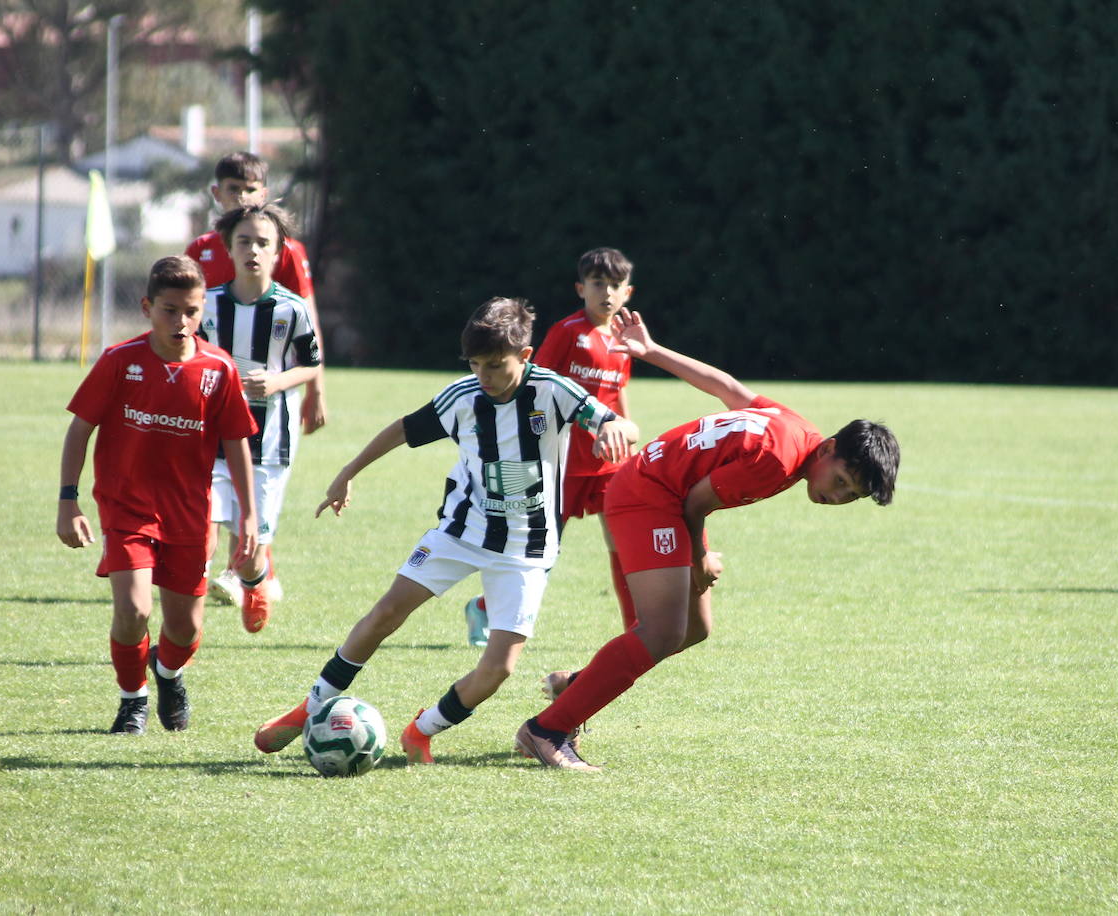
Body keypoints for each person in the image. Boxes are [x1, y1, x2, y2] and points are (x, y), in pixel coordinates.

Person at [252, 298, 639, 764]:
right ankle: (308, 709)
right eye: (476, 365)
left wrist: (617, 429)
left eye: (495, 365)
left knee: (498, 669)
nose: (485, 376)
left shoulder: (553, 391)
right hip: (459, 532)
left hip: (526, 549)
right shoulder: (462, 398)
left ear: (527, 356)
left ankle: (422, 729)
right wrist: (348, 471)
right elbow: (401, 429)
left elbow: (621, 423)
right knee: (385, 614)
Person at [513, 310, 900, 771]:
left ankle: (577, 685)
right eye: (840, 482)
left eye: (850, 497)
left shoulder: (796, 427)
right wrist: (701, 557)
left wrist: (653, 351)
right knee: (661, 632)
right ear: (830, 448)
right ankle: (546, 730)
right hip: (649, 496)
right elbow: (694, 504)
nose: (837, 496)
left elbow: (726, 387)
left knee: (695, 629)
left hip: (664, 492)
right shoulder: (777, 461)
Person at [56, 255, 259, 735]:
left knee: (185, 629)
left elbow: (237, 444)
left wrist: (250, 517)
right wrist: (69, 500)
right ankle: (133, 700)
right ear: (148, 307)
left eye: (191, 311)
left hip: (190, 516)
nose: (181, 321)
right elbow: (79, 431)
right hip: (127, 508)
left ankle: (168, 673)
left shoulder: (219, 369)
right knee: (134, 609)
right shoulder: (119, 361)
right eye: (170, 310)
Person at [463, 247, 637, 647]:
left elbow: (617, 397)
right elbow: (535, 384)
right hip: (562, 463)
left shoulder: (622, 340)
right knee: (544, 549)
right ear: (581, 288)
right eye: (597, 284)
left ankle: (636, 627)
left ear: (628, 292)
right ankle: (487, 608)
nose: (606, 293)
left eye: (615, 286)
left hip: (608, 463)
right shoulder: (568, 332)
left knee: (622, 541)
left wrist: (624, 436)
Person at [186, 151, 325, 609]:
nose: (252, 250)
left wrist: (296, 387)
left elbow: (312, 354)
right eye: (243, 242)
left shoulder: (289, 301)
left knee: (251, 544)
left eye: (261, 244)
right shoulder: (208, 292)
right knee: (201, 516)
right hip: (211, 432)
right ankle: (191, 590)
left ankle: (252, 579)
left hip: (270, 438)